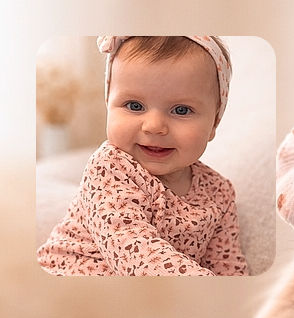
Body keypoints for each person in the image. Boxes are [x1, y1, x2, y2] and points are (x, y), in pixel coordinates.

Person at [37, 35, 249, 276]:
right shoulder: (108, 167)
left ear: (214, 123)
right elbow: (133, 250)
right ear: (109, 105)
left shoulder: (218, 192)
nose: (154, 126)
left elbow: (228, 265)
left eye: (181, 110)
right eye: (134, 106)